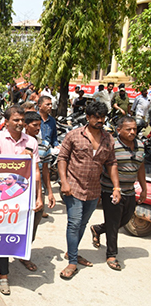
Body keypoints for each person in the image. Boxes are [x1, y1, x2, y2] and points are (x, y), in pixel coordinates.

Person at [58, 101, 121, 280]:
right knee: (74, 223)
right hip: (73, 187)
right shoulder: (74, 135)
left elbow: (111, 163)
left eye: (102, 117)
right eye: (96, 117)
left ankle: (72, 252)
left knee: (83, 224)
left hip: (94, 190)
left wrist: (116, 187)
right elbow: (62, 158)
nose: (100, 120)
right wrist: (64, 182)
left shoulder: (108, 138)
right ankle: (72, 262)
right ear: (88, 117)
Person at [0, 105, 43, 295]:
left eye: (22, 120)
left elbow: (35, 171)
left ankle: (20, 255)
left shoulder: (31, 141)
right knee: (3, 232)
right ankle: (3, 277)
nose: (20, 123)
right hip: (3, 195)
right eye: (16, 120)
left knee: (23, 231)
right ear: (7, 121)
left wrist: (39, 196)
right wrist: (20, 158)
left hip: (25, 195)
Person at [91, 116, 146, 271]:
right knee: (114, 223)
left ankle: (98, 229)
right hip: (110, 190)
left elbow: (140, 167)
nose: (132, 132)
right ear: (119, 129)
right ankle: (111, 254)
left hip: (130, 191)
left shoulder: (140, 145)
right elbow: (100, 166)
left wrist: (144, 189)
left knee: (125, 219)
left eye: (134, 129)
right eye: (128, 129)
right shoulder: (111, 145)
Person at [22, 111, 56, 271]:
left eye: (39, 125)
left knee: (32, 227)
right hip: (18, 192)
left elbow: (45, 172)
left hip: (36, 191)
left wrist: (49, 192)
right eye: (34, 125)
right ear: (25, 125)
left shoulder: (44, 146)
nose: (38, 128)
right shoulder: (18, 144)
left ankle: (24, 255)